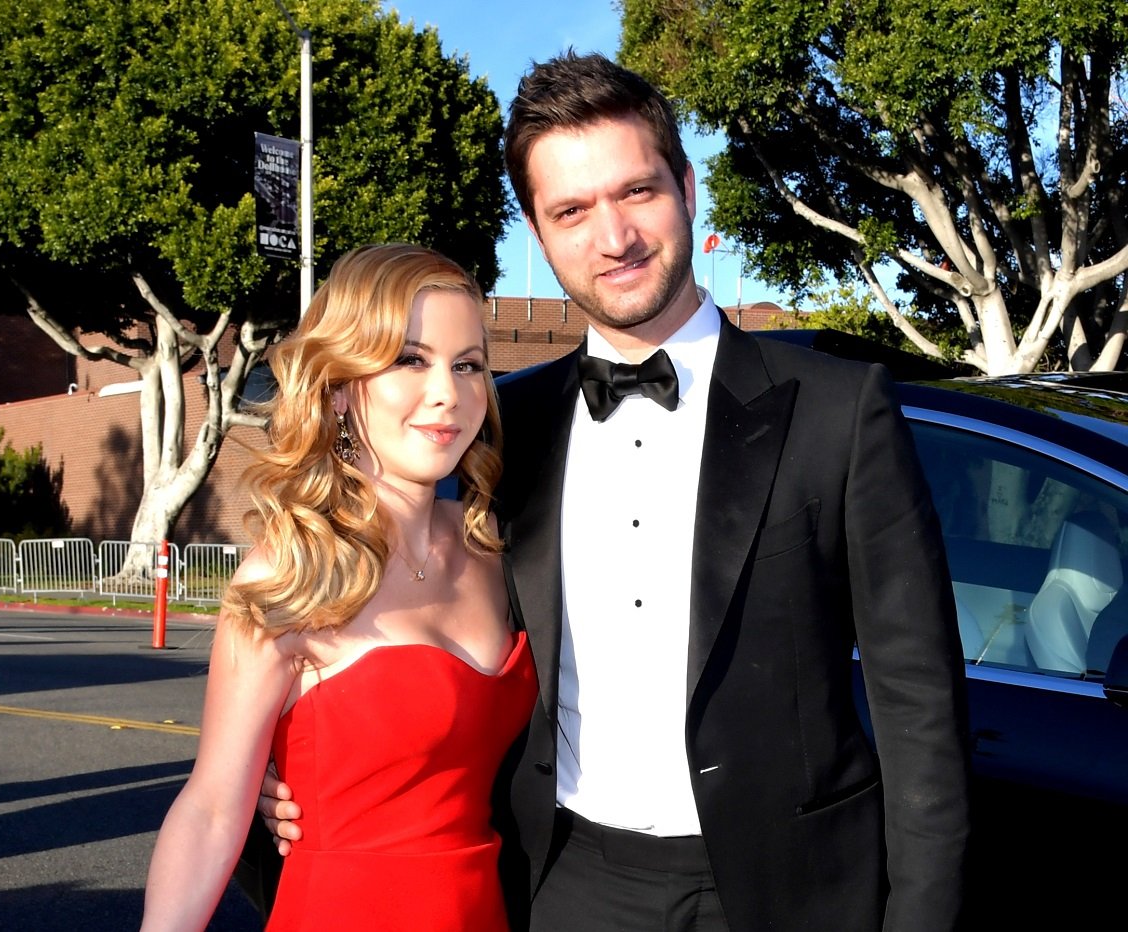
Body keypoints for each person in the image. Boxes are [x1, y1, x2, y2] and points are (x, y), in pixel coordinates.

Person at [261, 53, 971, 932]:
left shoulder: (840, 410)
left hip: (796, 892)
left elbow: (921, 709)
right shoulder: (500, 423)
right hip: (563, 882)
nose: (615, 236)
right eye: (571, 211)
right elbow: (375, 603)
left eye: (637, 192)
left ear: (687, 185)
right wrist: (287, 771)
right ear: (537, 229)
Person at [141, 243, 536, 932]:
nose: (448, 391)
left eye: (468, 364)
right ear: (342, 384)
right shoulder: (289, 571)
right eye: (410, 359)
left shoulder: (497, 550)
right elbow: (210, 808)